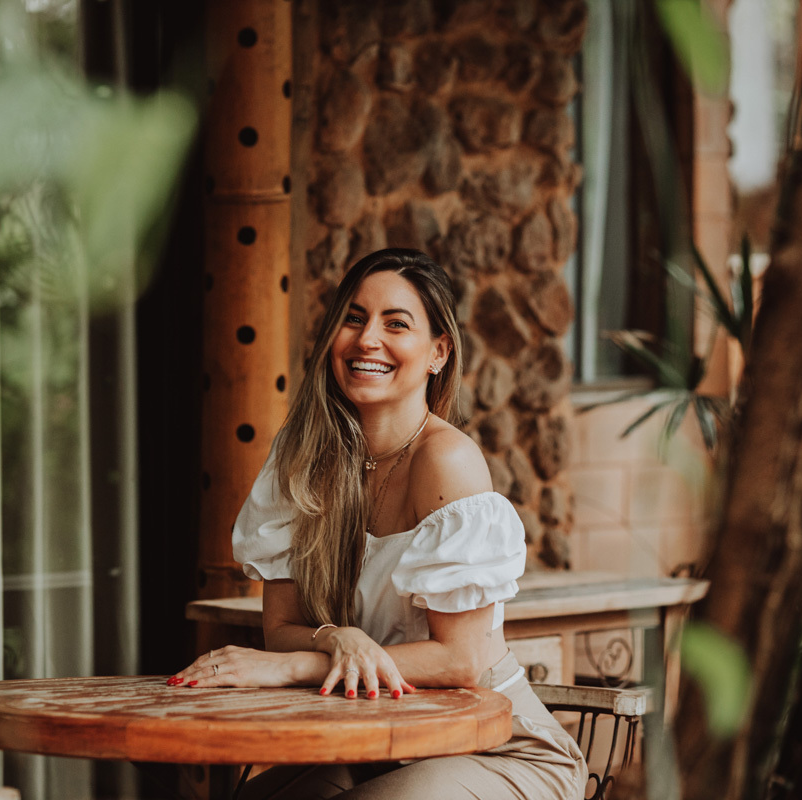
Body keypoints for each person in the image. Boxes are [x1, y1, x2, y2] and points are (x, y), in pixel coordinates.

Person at [169, 249, 587, 799]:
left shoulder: (447, 461)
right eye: (354, 318)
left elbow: (460, 661)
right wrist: (338, 636)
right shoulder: (304, 461)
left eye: (396, 324)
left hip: (496, 742)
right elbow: (282, 626)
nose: (368, 339)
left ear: (438, 352)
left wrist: (297, 664)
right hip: (378, 741)